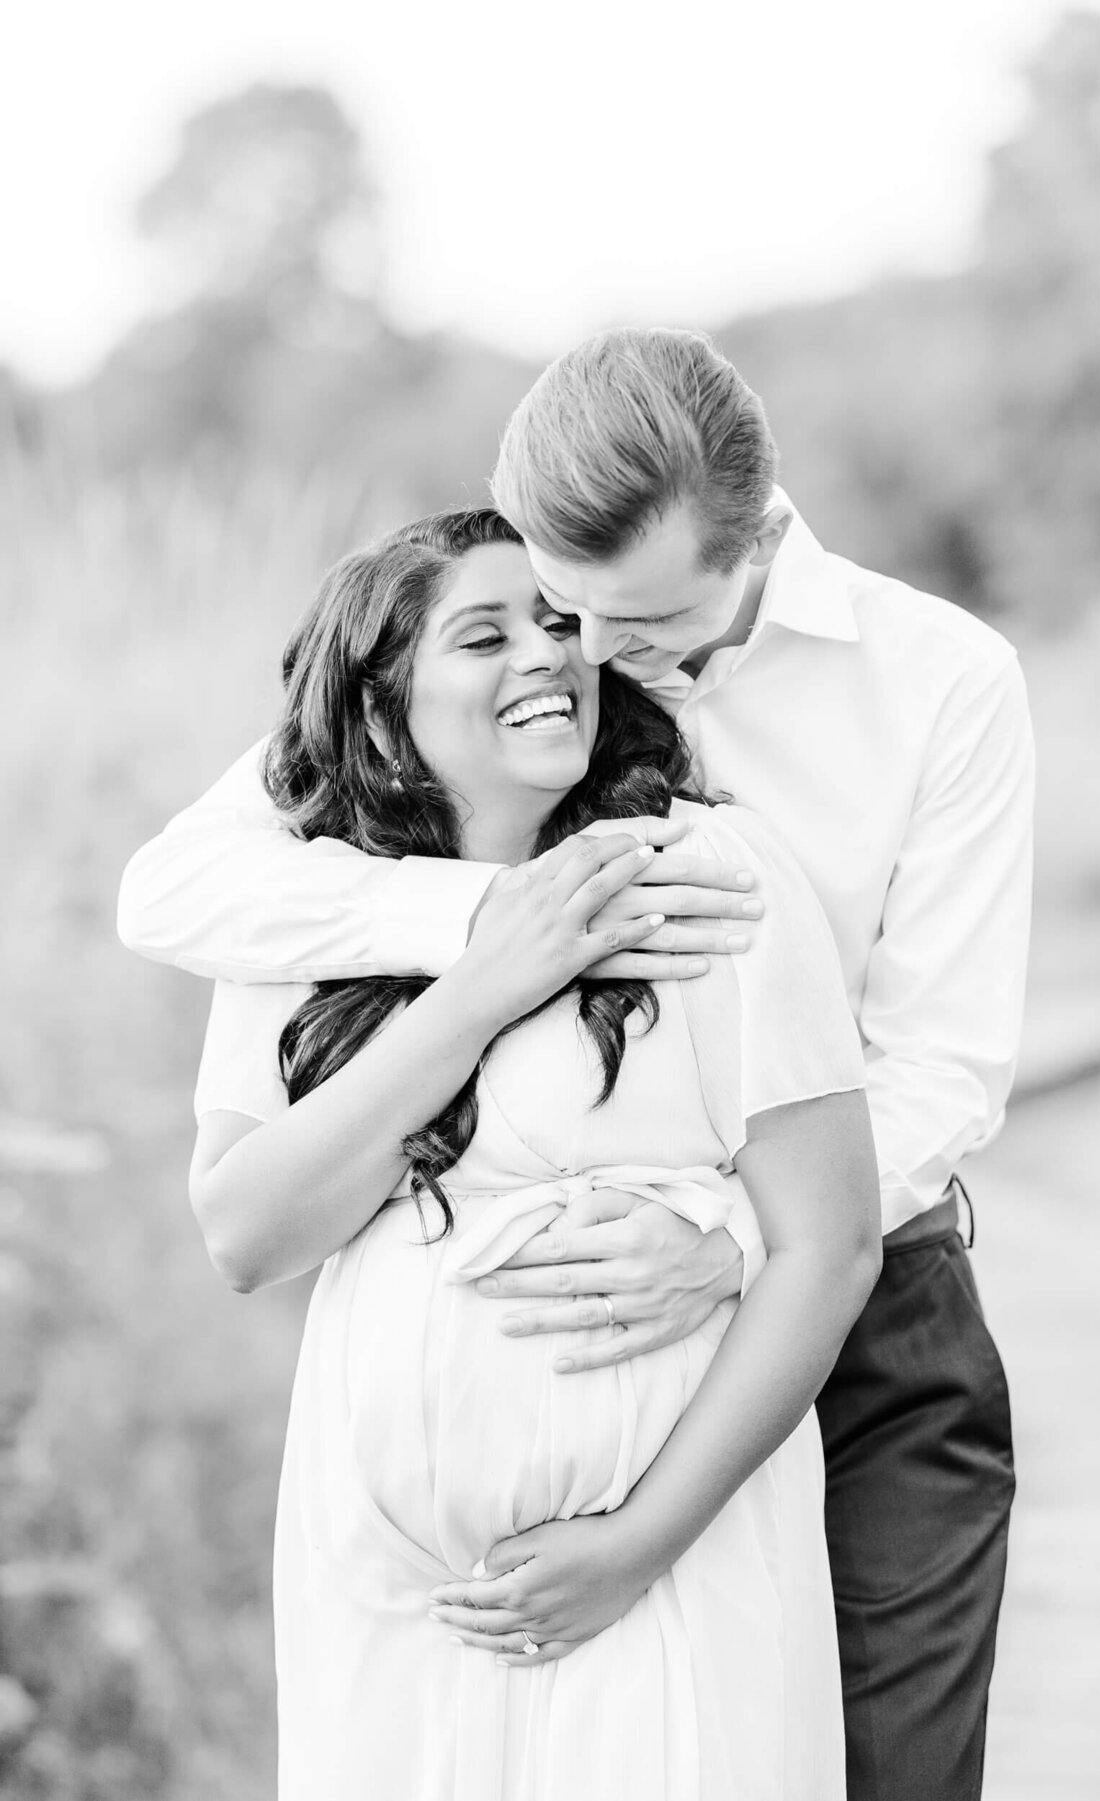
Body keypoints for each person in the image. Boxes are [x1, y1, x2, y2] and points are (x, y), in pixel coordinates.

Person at [118, 327, 1034, 1801]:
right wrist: (497, 929)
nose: (586, 662)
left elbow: (942, 1063)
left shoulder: (938, 684)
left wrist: (727, 1235)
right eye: (552, 609)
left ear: (759, 533)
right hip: (427, 1530)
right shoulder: (492, 653)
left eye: (640, 628)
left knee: (887, 1770)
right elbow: (172, 890)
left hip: (856, 1309)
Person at [184, 505, 881, 1799]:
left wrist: (638, 1540)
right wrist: (485, 979)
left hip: (674, 1566)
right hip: (392, 1591)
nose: (544, 656)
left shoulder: (703, 873)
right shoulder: (302, 910)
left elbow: (828, 1242)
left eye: (561, 623)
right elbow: (245, 1232)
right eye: (484, 632)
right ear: (390, 696)